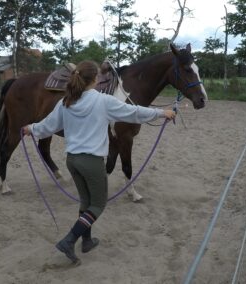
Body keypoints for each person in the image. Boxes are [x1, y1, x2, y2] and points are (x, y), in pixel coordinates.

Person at [22, 60, 176, 264]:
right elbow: (135, 112)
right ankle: (69, 240)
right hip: (91, 162)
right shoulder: (103, 101)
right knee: (98, 205)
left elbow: (47, 126)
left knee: (86, 202)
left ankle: (87, 241)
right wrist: (161, 112)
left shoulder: (65, 102)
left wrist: (30, 129)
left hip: (72, 161)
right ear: (95, 79)